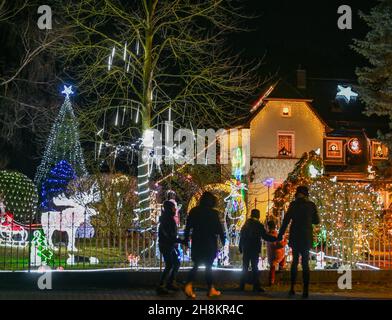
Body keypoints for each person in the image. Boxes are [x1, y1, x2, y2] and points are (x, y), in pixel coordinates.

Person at [278, 186, 320, 298]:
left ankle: (292, 288)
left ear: (297, 194)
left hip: (295, 237)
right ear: (306, 194)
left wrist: (280, 234)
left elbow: (286, 221)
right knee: (305, 263)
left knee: (295, 261)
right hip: (306, 237)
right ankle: (305, 290)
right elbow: (317, 221)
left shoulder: (293, 205)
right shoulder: (311, 205)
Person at [183, 192, 225, 299]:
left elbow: (188, 227)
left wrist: (186, 240)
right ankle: (210, 288)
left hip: (197, 241)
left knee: (196, 264)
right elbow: (219, 229)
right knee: (208, 266)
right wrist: (223, 240)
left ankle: (189, 284)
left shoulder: (194, 211)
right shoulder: (213, 213)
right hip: (209, 242)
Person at [239, 209, 276, 292]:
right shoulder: (258, 225)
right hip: (254, 248)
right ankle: (256, 286)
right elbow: (265, 236)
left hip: (246, 247)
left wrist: (240, 246)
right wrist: (275, 239)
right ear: (258, 216)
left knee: (244, 266)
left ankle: (242, 285)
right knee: (254, 267)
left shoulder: (246, 224)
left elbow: (242, 236)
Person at [157, 200, 182, 295]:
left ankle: (170, 282)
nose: (175, 209)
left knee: (176, 263)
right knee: (170, 264)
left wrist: (175, 243)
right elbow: (169, 235)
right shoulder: (166, 220)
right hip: (166, 245)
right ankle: (161, 285)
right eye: (173, 207)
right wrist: (179, 240)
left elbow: (172, 234)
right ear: (168, 209)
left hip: (169, 245)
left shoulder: (168, 219)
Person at [266, 220, 287, 286]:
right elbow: (279, 245)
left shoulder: (267, 234)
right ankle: (281, 268)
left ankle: (272, 280)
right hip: (276, 253)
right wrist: (285, 242)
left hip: (271, 253)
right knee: (282, 256)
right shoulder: (274, 235)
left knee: (272, 266)